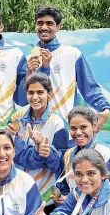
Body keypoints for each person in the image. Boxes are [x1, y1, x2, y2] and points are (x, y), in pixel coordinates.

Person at [28, 5, 110, 129]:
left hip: (66, 128)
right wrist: (30, 71)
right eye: (40, 23)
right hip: (36, 129)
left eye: (49, 23)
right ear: (35, 26)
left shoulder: (72, 54)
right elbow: (25, 97)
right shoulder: (30, 58)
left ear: (58, 26)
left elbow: (90, 89)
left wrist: (105, 109)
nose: (44, 27)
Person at [8, 72, 70, 205]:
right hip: (17, 190)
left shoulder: (57, 123)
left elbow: (62, 165)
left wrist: (47, 152)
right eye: (31, 93)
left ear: (49, 94)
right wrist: (14, 138)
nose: (35, 97)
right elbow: (11, 154)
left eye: (40, 92)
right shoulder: (16, 118)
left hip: (45, 195)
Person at [57, 106, 110, 202]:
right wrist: (65, 199)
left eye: (83, 127)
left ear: (94, 126)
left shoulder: (107, 155)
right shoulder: (68, 155)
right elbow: (67, 188)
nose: (78, 132)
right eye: (73, 128)